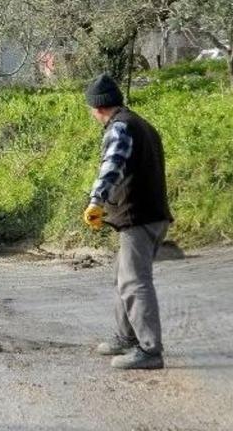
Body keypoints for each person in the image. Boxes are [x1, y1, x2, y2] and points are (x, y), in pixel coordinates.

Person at [82, 73, 174, 370]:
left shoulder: (120, 127)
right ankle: (126, 337)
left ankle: (149, 350)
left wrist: (96, 201)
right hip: (151, 216)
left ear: (98, 107)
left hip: (139, 218)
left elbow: (112, 164)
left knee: (135, 282)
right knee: (124, 278)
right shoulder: (141, 124)